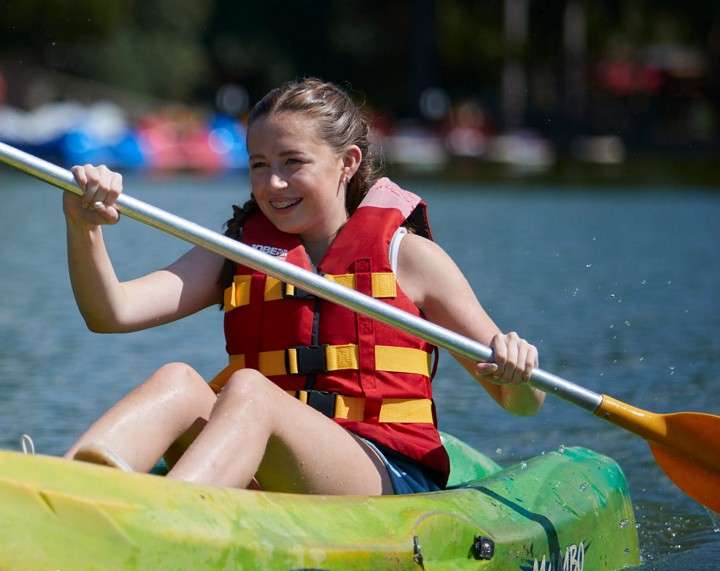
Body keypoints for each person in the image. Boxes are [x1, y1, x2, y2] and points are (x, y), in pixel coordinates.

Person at [58, 78, 544, 496]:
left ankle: (160, 521)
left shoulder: (410, 258)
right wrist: (84, 227)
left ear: (348, 163)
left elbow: (522, 404)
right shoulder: (239, 249)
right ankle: (57, 490)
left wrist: (517, 374)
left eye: (292, 162)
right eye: (258, 165)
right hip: (276, 459)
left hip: (384, 470)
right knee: (178, 382)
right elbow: (112, 313)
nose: (272, 184)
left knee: (248, 390)